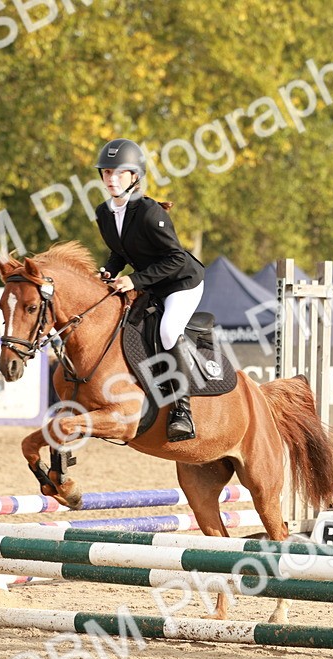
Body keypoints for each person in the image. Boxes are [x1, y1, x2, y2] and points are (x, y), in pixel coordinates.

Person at [93, 138, 206, 442]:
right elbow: (119, 250)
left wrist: (134, 281)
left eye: (120, 173)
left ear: (134, 176)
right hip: (151, 284)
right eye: (107, 172)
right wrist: (110, 270)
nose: (112, 179)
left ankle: (183, 412)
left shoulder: (149, 212)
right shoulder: (104, 213)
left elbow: (176, 258)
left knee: (168, 330)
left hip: (181, 283)